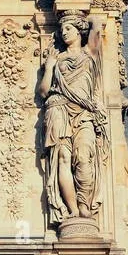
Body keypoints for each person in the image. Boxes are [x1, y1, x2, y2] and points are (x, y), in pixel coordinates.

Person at [38, 12, 107, 225]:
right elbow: (43, 92)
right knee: (62, 160)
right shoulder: (56, 59)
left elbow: (97, 26)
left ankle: (84, 204)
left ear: (79, 31)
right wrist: (49, 67)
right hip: (58, 108)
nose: (64, 32)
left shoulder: (90, 53)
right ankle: (73, 210)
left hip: (84, 112)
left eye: (68, 28)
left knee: (84, 156)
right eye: (62, 30)